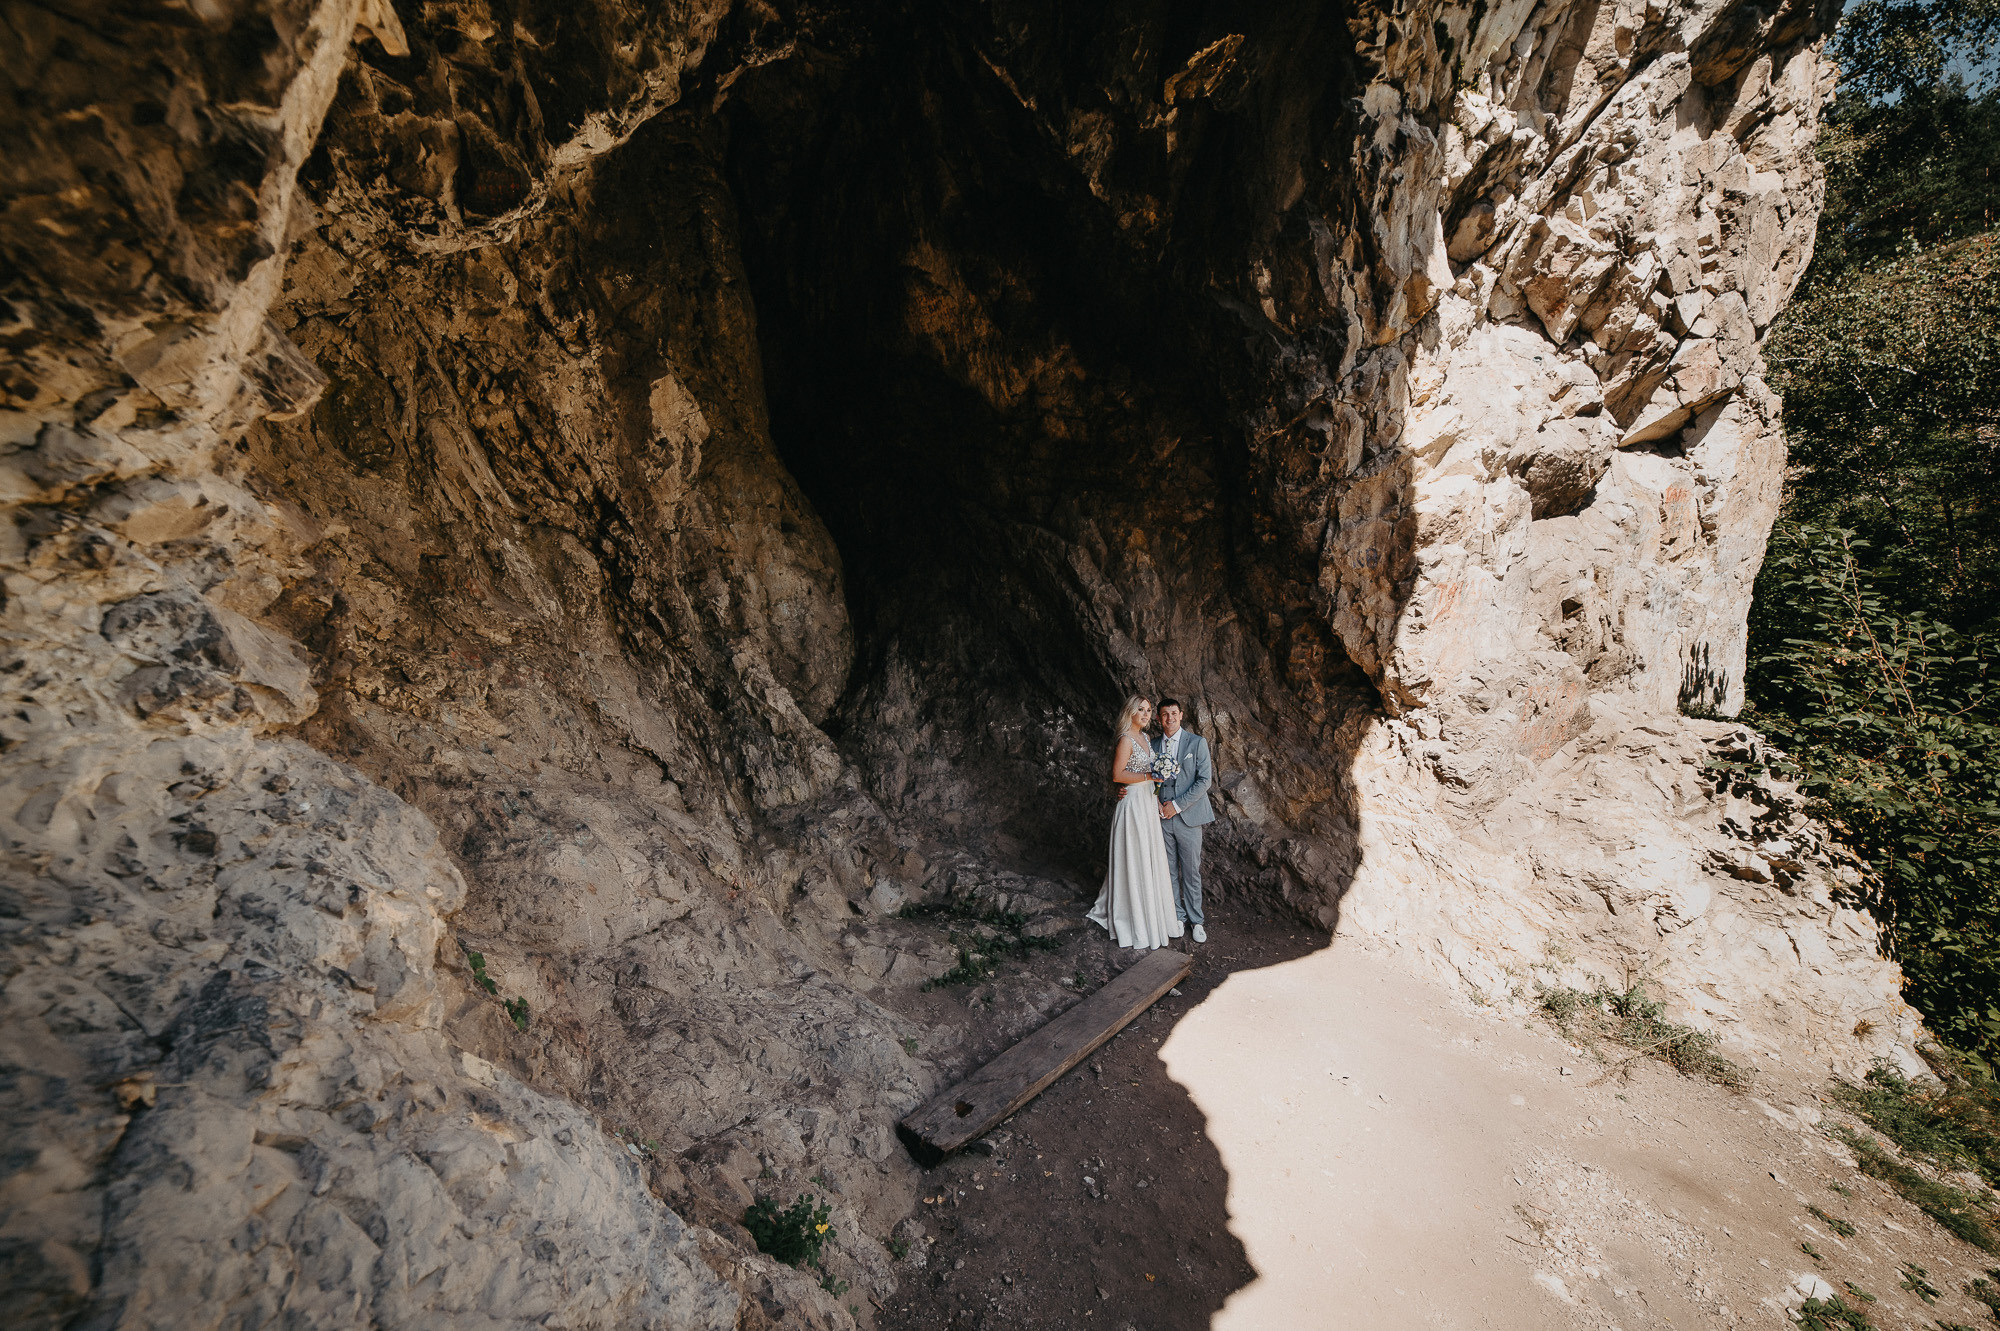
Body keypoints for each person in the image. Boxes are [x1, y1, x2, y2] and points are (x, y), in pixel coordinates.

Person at [1086, 696, 1182, 951]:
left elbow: (1139, 773)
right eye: (1141, 709)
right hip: (1132, 805)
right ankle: (1133, 919)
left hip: (1147, 803)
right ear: (1130, 711)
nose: (1146, 714)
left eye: (1149, 710)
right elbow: (1117, 774)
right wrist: (1150, 775)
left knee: (1148, 856)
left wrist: (1158, 778)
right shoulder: (1126, 739)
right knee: (1134, 856)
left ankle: (1153, 915)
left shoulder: (1147, 739)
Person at [1151, 698, 1213, 944]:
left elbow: (1204, 780)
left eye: (1174, 713)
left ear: (1181, 715)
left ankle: (1196, 920)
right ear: (1159, 718)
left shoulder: (1197, 743)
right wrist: (1154, 802)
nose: (1170, 718)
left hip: (1188, 817)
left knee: (1190, 871)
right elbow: (1146, 778)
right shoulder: (1152, 744)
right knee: (1167, 871)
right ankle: (1177, 916)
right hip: (1161, 818)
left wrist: (1175, 806)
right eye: (1165, 714)